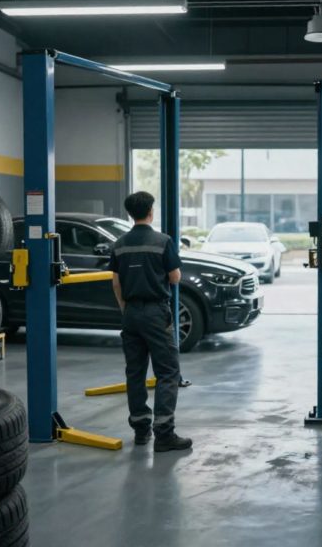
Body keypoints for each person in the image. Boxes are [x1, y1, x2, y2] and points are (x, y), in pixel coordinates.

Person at [110, 191, 192, 451]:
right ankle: (164, 434)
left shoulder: (120, 244)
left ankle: (141, 430)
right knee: (168, 371)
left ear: (130, 213)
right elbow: (176, 277)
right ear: (150, 211)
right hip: (156, 313)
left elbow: (116, 281)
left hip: (131, 314)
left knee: (135, 372)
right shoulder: (162, 241)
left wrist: (126, 309)